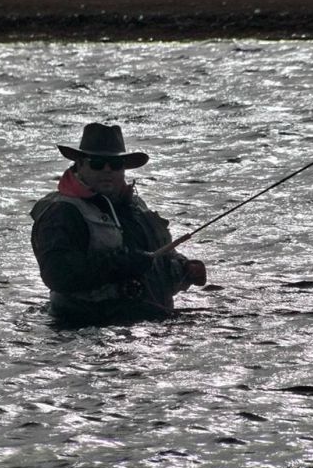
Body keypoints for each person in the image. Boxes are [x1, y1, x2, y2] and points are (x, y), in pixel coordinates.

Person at [30, 122, 206, 323]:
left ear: (123, 169)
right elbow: (57, 274)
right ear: (80, 164)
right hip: (85, 327)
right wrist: (120, 264)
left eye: (115, 164)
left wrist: (185, 268)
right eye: (97, 163)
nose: (107, 170)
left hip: (150, 323)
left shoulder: (137, 206)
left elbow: (161, 256)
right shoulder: (62, 212)